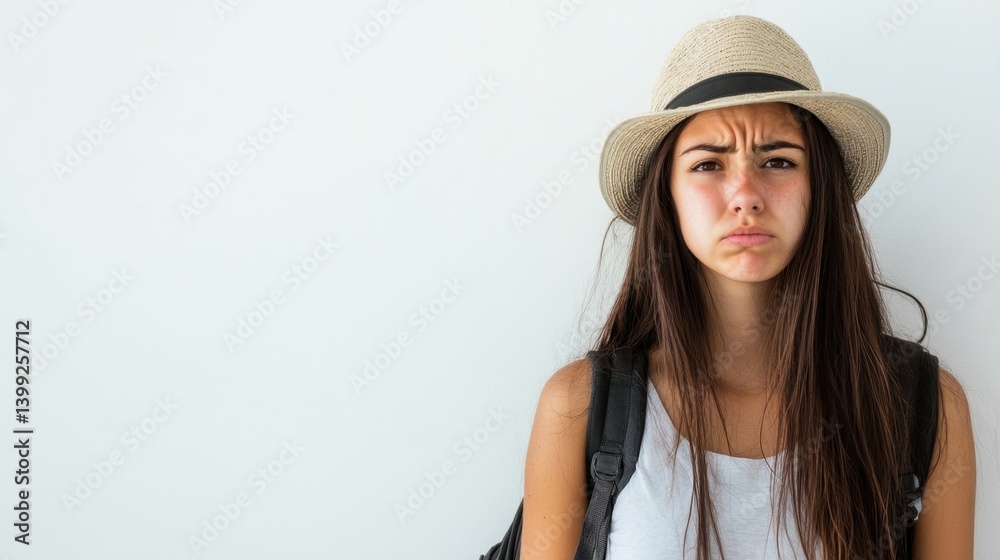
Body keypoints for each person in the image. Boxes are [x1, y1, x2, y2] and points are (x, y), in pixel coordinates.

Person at [520, 15, 976, 560]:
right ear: (666, 195)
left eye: (778, 161)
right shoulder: (578, 407)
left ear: (820, 187)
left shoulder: (922, 406)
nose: (745, 195)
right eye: (708, 164)